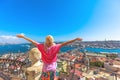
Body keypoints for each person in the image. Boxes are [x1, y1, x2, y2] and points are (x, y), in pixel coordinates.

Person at [16, 34, 82, 80]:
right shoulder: (55, 47)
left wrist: (23, 37)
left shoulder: (41, 46)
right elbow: (66, 43)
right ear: (52, 41)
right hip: (53, 67)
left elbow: (32, 41)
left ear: (46, 41)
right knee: (51, 78)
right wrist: (75, 39)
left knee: (45, 78)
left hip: (45, 68)